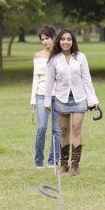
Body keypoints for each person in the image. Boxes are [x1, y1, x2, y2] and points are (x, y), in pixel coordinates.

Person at [44, 28, 99, 176]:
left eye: (69, 39)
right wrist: (47, 101)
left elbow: (87, 79)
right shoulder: (54, 59)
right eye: (63, 39)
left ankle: (75, 165)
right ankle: (64, 164)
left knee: (76, 129)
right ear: (59, 41)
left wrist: (93, 99)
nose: (66, 42)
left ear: (73, 41)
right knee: (63, 131)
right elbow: (49, 82)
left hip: (79, 98)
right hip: (61, 99)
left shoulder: (80, 57)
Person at [30, 25, 61, 169]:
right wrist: (33, 99)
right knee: (41, 128)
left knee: (56, 130)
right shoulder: (37, 56)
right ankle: (38, 160)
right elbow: (36, 79)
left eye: (47, 38)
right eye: (42, 39)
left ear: (54, 38)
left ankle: (53, 160)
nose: (44, 42)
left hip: (58, 97)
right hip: (41, 95)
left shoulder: (60, 55)